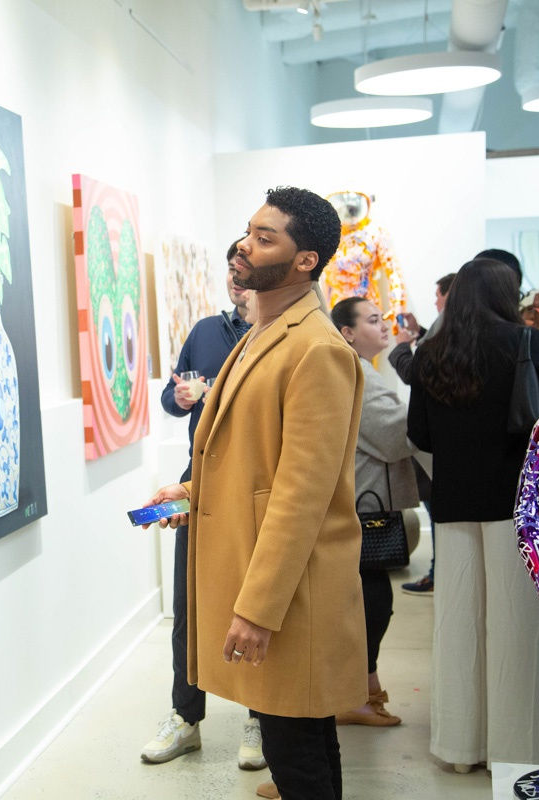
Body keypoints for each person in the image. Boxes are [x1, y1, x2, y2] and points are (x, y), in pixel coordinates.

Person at [143, 186, 365, 800]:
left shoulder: (316, 349)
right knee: (302, 738)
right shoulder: (263, 333)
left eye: (265, 238)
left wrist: (257, 610)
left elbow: (301, 494)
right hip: (268, 575)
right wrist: (191, 491)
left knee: (296, 751)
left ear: (305, 261)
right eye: (248, 231)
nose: (244, 245)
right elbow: (257, 459)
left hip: (291, 590)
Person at [407, 257, 539, 772]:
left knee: (457, 624)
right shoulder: (527, 343)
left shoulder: (429, 354)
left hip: (453, 503)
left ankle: (460, 748)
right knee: (516, 625)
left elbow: (419, 435)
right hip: (516, 502)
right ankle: (513, 752)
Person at [142, 240, 263, 770]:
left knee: (255, 605)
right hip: (200, 479)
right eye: (231, 271)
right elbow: (172, 398)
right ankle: (185, 717)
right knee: (188, 605)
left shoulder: (275, 337)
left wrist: (212, 394)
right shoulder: (205, 331)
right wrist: (179, 398)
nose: (236, 279)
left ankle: (261, 717)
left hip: (256, 487)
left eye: (245, 270)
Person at [331, 297, 419, 728]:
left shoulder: (361, 369)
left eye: (381, 318)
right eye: (371, 320)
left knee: (370, 599)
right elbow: (396, 435)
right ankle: (357, 695)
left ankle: (363, 691)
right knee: (370, 601)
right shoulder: (357, 373)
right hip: (363, 505)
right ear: (348, 333)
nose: (383, 326)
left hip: (363, 500)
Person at [391, 271, 456, 596]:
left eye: (438, 295)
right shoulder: (456, 331)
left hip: (437, 445)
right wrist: (419, 333)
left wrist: (403, 347)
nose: (435, 301)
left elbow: (415, 373)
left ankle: (437, 574)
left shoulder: (450, 335)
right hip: (444, 444)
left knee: (439, 512)